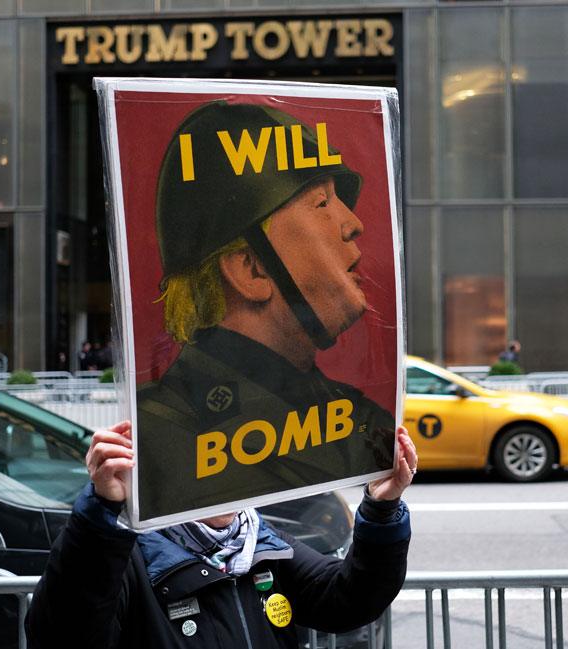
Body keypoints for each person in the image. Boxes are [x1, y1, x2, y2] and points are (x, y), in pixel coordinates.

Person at [135, 101, 395, 522]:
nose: (353, 223)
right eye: (322, 204)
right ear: (250, 269)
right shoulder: (161, 438)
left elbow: (346, 589)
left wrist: (384, 511)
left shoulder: (359, 419)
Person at [25, 421, 417, 649]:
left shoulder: (259, 542)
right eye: (204, 465)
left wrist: (382, 509)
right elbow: (62, 637)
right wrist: (100, 515)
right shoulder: (130, 556)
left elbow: (349, 600)